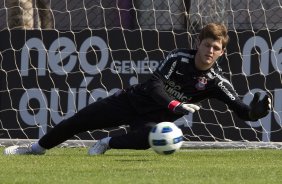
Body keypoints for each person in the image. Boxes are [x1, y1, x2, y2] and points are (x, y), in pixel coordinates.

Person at [4, 23, 271, 155]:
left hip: (152, 119)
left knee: (153, 138)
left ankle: (107, 143)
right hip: (131, 101)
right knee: (79, 120)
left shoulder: (216, 82)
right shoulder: (179, 58)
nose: (209, 51)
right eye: (206, 45)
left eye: (216, 48)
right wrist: (176, 105)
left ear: (221, 53)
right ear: (198, 43)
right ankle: (35, 148)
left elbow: (240, 109)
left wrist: (253, 112)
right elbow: (155, 84)